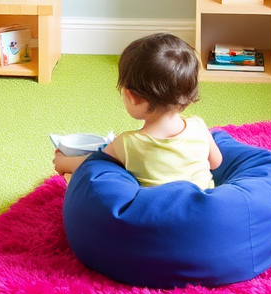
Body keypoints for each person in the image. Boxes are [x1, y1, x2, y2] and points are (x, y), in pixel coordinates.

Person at [52, 32, 222, 188]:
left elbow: (91, 163)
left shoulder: (128, 143)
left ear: (132, 97)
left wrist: (62, 162)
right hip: (203, 208)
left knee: (81, 183)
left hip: (157, 216)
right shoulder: (198, 126)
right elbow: (216, 163)